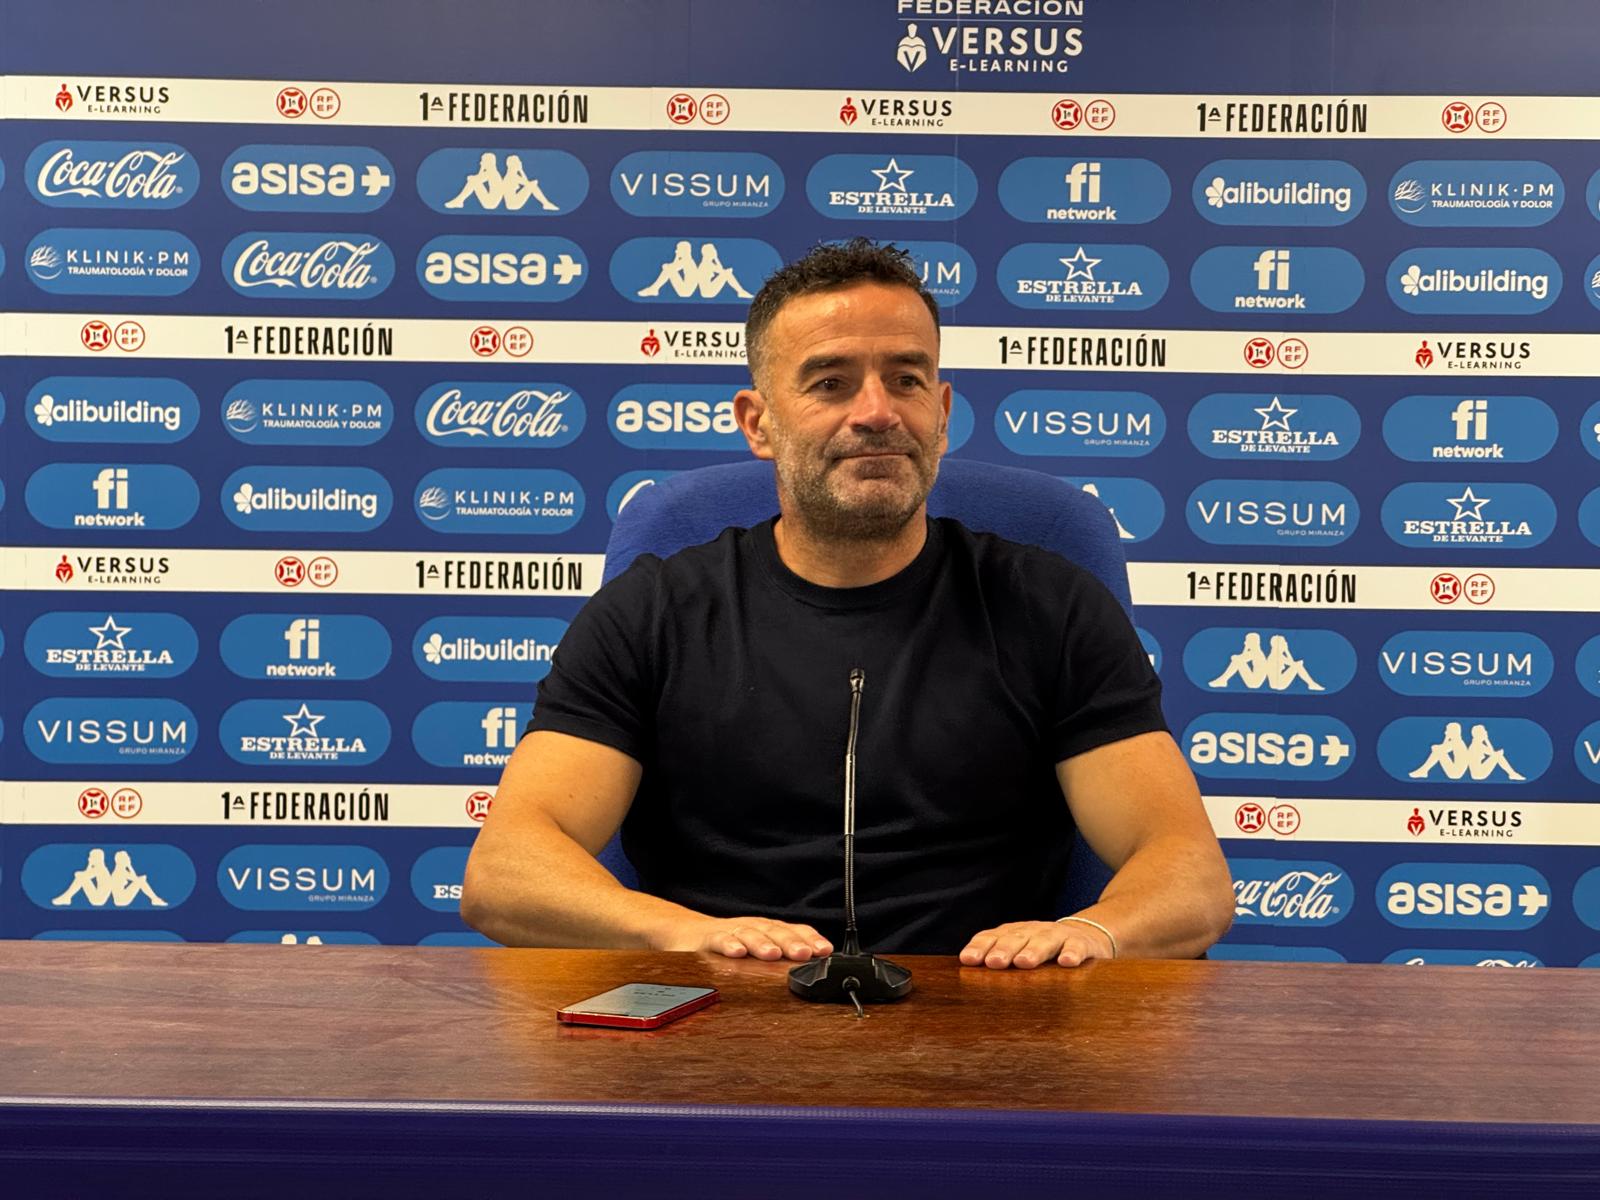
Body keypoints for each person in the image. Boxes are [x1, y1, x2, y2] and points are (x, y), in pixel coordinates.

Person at [462, 238, 1234, 969]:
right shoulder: (654, 613)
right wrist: (687, 936)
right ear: (758, 422)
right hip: (715, 1026)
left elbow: (1188, 875)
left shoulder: (1051, 606)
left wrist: (1090, 934)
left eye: (906, 378)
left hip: (988, 1026)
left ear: (943, 411)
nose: (877, 412)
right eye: (831, 383)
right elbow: (506, 871)